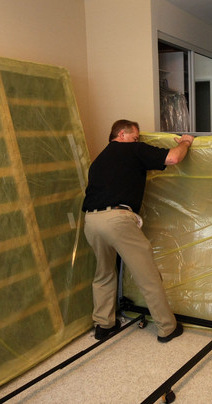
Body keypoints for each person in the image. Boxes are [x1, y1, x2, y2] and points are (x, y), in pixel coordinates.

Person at [82, 119, 194, 342]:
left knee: (103, 273)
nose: (137, 140)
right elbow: (173, 157)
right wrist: (186, 142)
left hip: (91, 221)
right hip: (117, 220)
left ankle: (103, 325)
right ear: (121, 134)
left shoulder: (99, 160)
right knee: (148, 275)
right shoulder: (132, 150)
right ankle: (167, 328)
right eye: (135, 137)